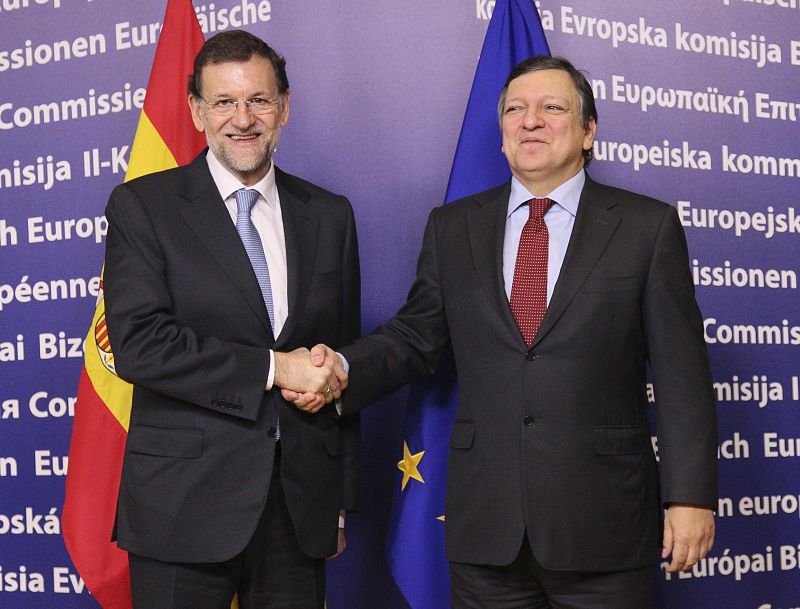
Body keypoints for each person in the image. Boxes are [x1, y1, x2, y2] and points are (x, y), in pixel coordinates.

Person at [287, 56, 718, 609]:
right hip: (487, 532)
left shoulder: (645, 227)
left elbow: (683, 375)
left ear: (588, 131)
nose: (530, 120)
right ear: (502, 135)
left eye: (552, 108)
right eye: (516, 109)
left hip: (604, 527)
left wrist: (689, 497)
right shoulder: (453, 226)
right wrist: (341, 370)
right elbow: (415, 339)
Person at [103, 29, 359, 609]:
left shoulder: (330, 214)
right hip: (182, 508)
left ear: (284, 107)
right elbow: (141, 344)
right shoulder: (143, 207)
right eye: (223, 102)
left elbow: (338, 357)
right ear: (197, 111)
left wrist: (337, 500)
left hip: (298, 515)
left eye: (259, 100)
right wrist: (275, 369)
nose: (242, 119)